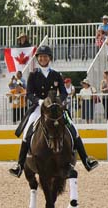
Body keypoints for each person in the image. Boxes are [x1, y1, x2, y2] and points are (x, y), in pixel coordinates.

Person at [9, 45, 99, 177]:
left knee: (74, 128)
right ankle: (20, 165)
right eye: (40, 57)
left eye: (45, 56)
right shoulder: (33, 75)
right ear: (38, 59)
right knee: (27, 131)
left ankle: (86, 160)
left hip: (55, 108)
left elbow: (63, 93)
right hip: (39, 108)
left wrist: (57, 101)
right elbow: (29, 94)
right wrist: (39, 101)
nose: (43, 58)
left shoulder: (56, 75)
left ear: (49, 58)